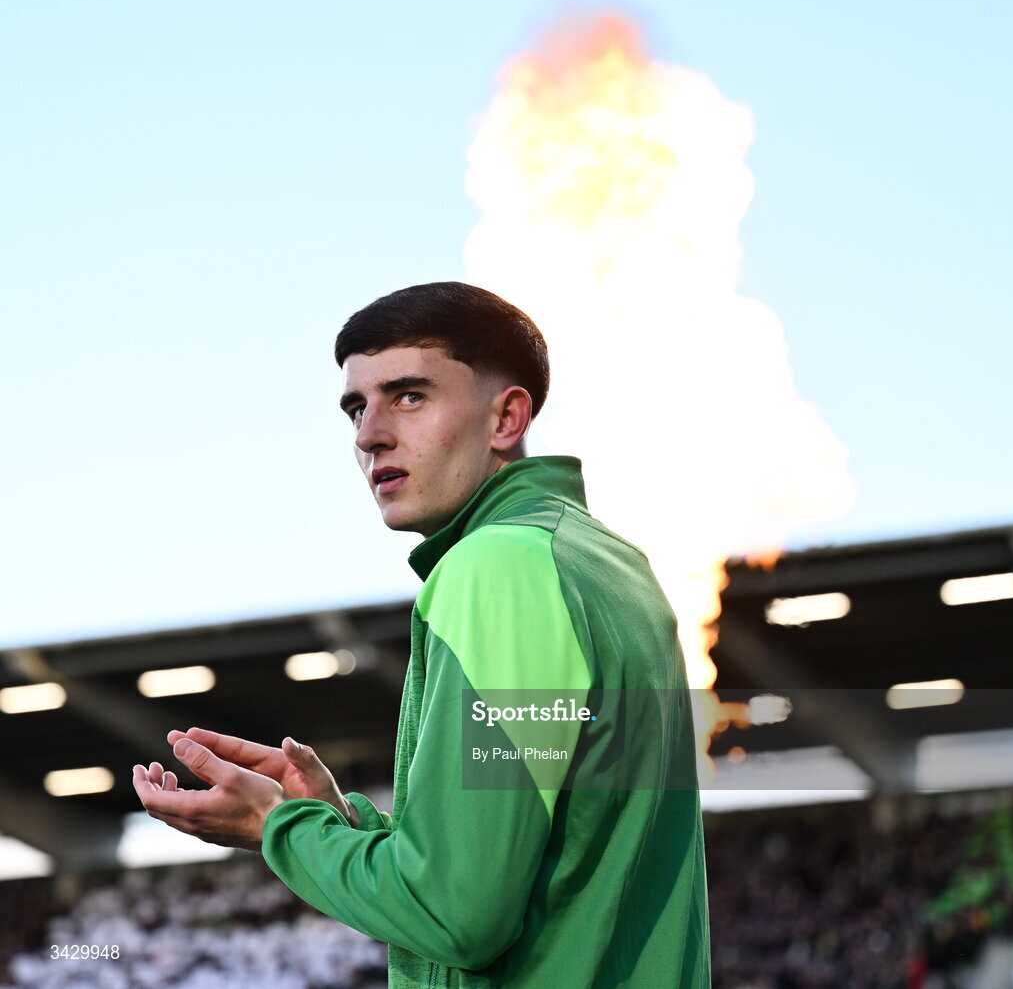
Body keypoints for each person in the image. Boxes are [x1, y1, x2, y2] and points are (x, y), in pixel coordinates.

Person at [133, 281, 711, 987]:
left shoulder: (497, 568)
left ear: (506, 418)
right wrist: (337, 820)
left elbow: (456, 916)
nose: (369, 434)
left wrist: (278, 828)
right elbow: (561, 855)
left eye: (409, 396)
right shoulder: (607, 564)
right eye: (356, 407)